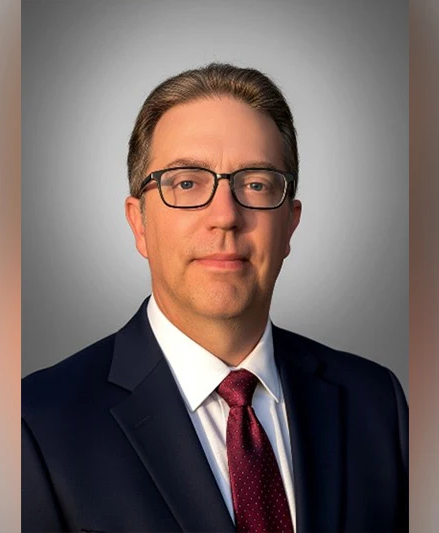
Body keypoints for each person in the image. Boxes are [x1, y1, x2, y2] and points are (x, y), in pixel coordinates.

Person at [22, 63, 408, 532]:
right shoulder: (36, 424)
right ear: (139, 223)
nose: (225, 216)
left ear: (290, 223)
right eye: (186, 183)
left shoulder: (376, 403)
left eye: (257, 184)